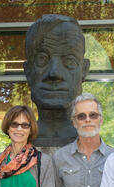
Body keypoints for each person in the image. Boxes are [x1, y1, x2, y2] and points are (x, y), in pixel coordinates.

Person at [24, 14, 90, 144]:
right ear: (28, 71)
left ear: (84, 70)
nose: (54, 73)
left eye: (69, 60)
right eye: (42, 59)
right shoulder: (9, 156)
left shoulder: (109, 159)